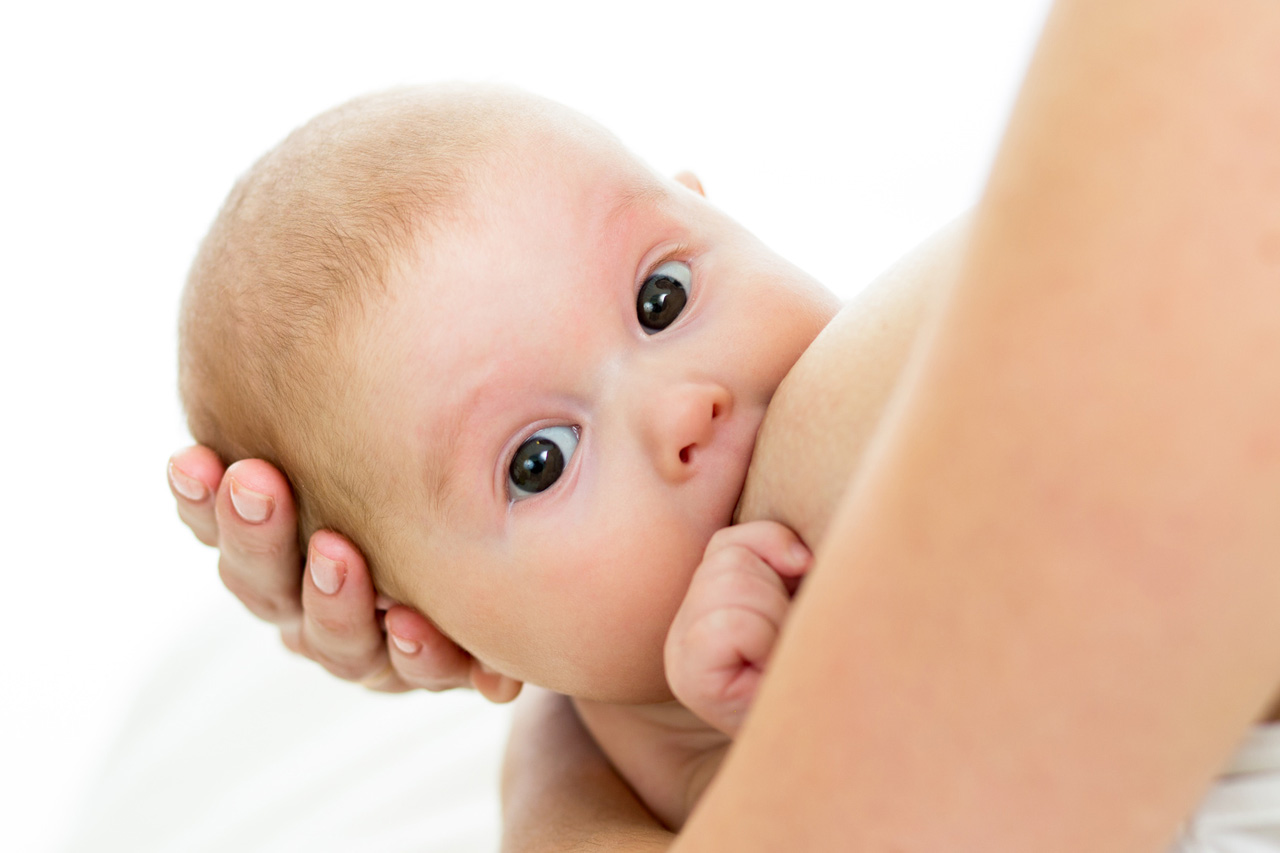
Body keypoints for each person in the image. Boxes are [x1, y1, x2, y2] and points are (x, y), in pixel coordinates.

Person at [170, 0, 1280, 848]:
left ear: (718, 210)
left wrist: (557, 774)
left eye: (663, 299)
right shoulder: (670, 727)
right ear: (452, 635)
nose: (682, 406)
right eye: (538, 460)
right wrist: (654, 731)